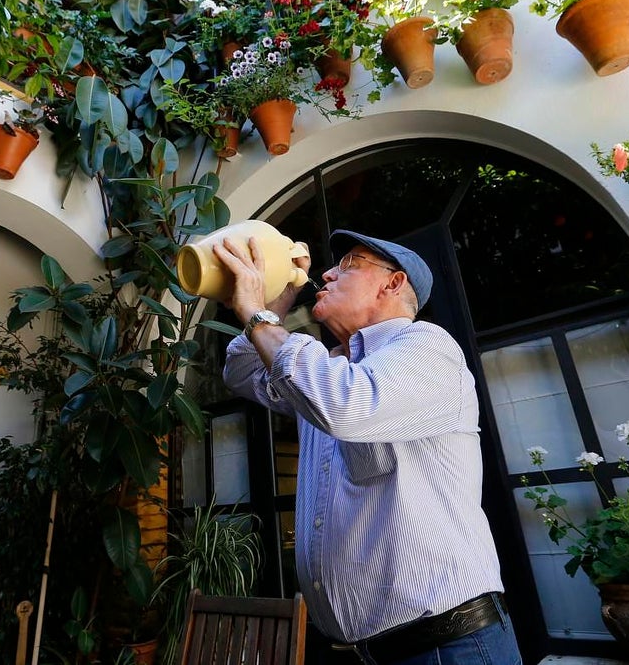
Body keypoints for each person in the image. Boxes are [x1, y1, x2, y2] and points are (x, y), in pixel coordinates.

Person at [214, 228, 521, 665]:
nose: (327, 274)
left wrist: (256, 316)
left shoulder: (426, 347)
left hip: (448, 648)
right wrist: (272, 305)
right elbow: (242, 373)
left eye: (350, 265)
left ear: (393, 283)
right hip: (367, 653)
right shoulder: (328, 370)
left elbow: (346, 403)